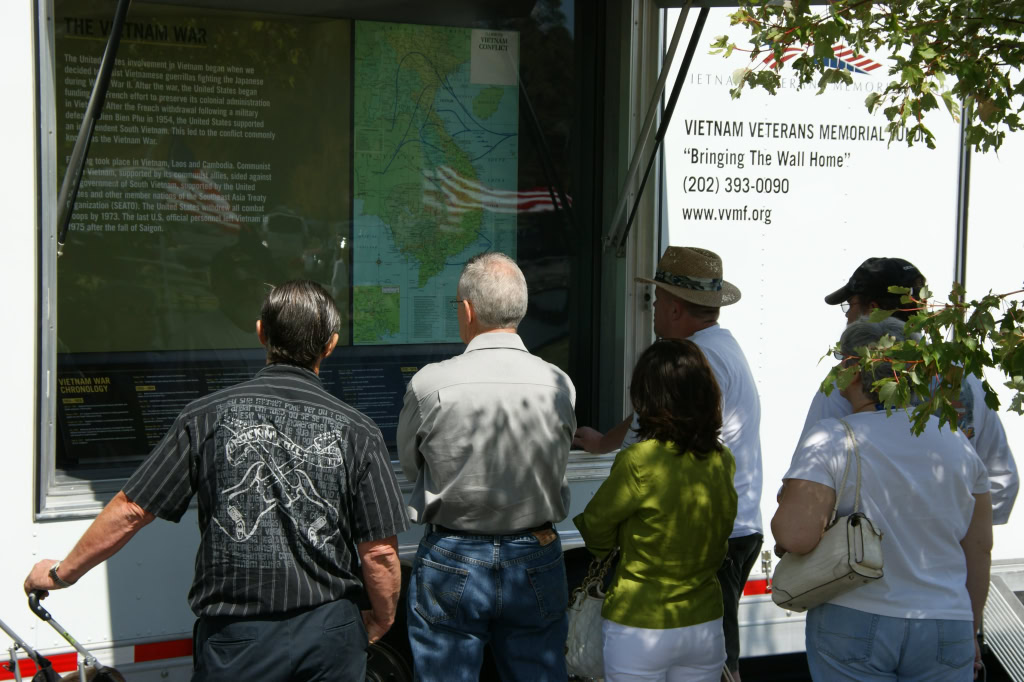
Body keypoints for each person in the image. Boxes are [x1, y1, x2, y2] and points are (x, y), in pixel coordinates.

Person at [25, 280, 409, 682]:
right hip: (331, 634)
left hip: (238, 642)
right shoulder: (358, 431)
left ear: (261, 332)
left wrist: (61, 573)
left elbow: (131, 508)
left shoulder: (205, 416)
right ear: (330, 345)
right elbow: (380, 553)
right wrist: (381, 620)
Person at [574, 246, 763, 682]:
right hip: (729, 531)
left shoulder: (699, 358)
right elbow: (654, 414)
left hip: (703, 541)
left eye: (658, 300)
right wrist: (605, 441)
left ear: (676, 308)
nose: (654, 308)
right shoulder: (710, 348)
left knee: (723, 670)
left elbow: (614, 503)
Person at [775, 318, 992, 681]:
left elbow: (794, 536)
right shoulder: (957, 444)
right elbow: (980, 547)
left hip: (854, 615)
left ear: (852, 372)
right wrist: (971, 628)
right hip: (945, 623)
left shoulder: (831, 437)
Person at [397, 251, 576, 682]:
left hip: (452, 556)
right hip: (535, 553)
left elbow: (410, 466)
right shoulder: (558, 384)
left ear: (469, 311)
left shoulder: (430, 383)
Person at [800, 256, 1018, 524]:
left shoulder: (847, 381)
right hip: (952, 560)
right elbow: (1001, 484)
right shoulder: (964, 377)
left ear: (874, 309)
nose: (847, 314)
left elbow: (806, 489)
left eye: (851, 304)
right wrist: (954, 537)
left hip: (866, 560)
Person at [574, 338, 738, 681]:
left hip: (639, 623)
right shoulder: (722, 460)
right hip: (704, 621)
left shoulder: (639, 460)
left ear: (645, 398)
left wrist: (616, 546)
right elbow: (721, 534)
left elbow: (595, 523)